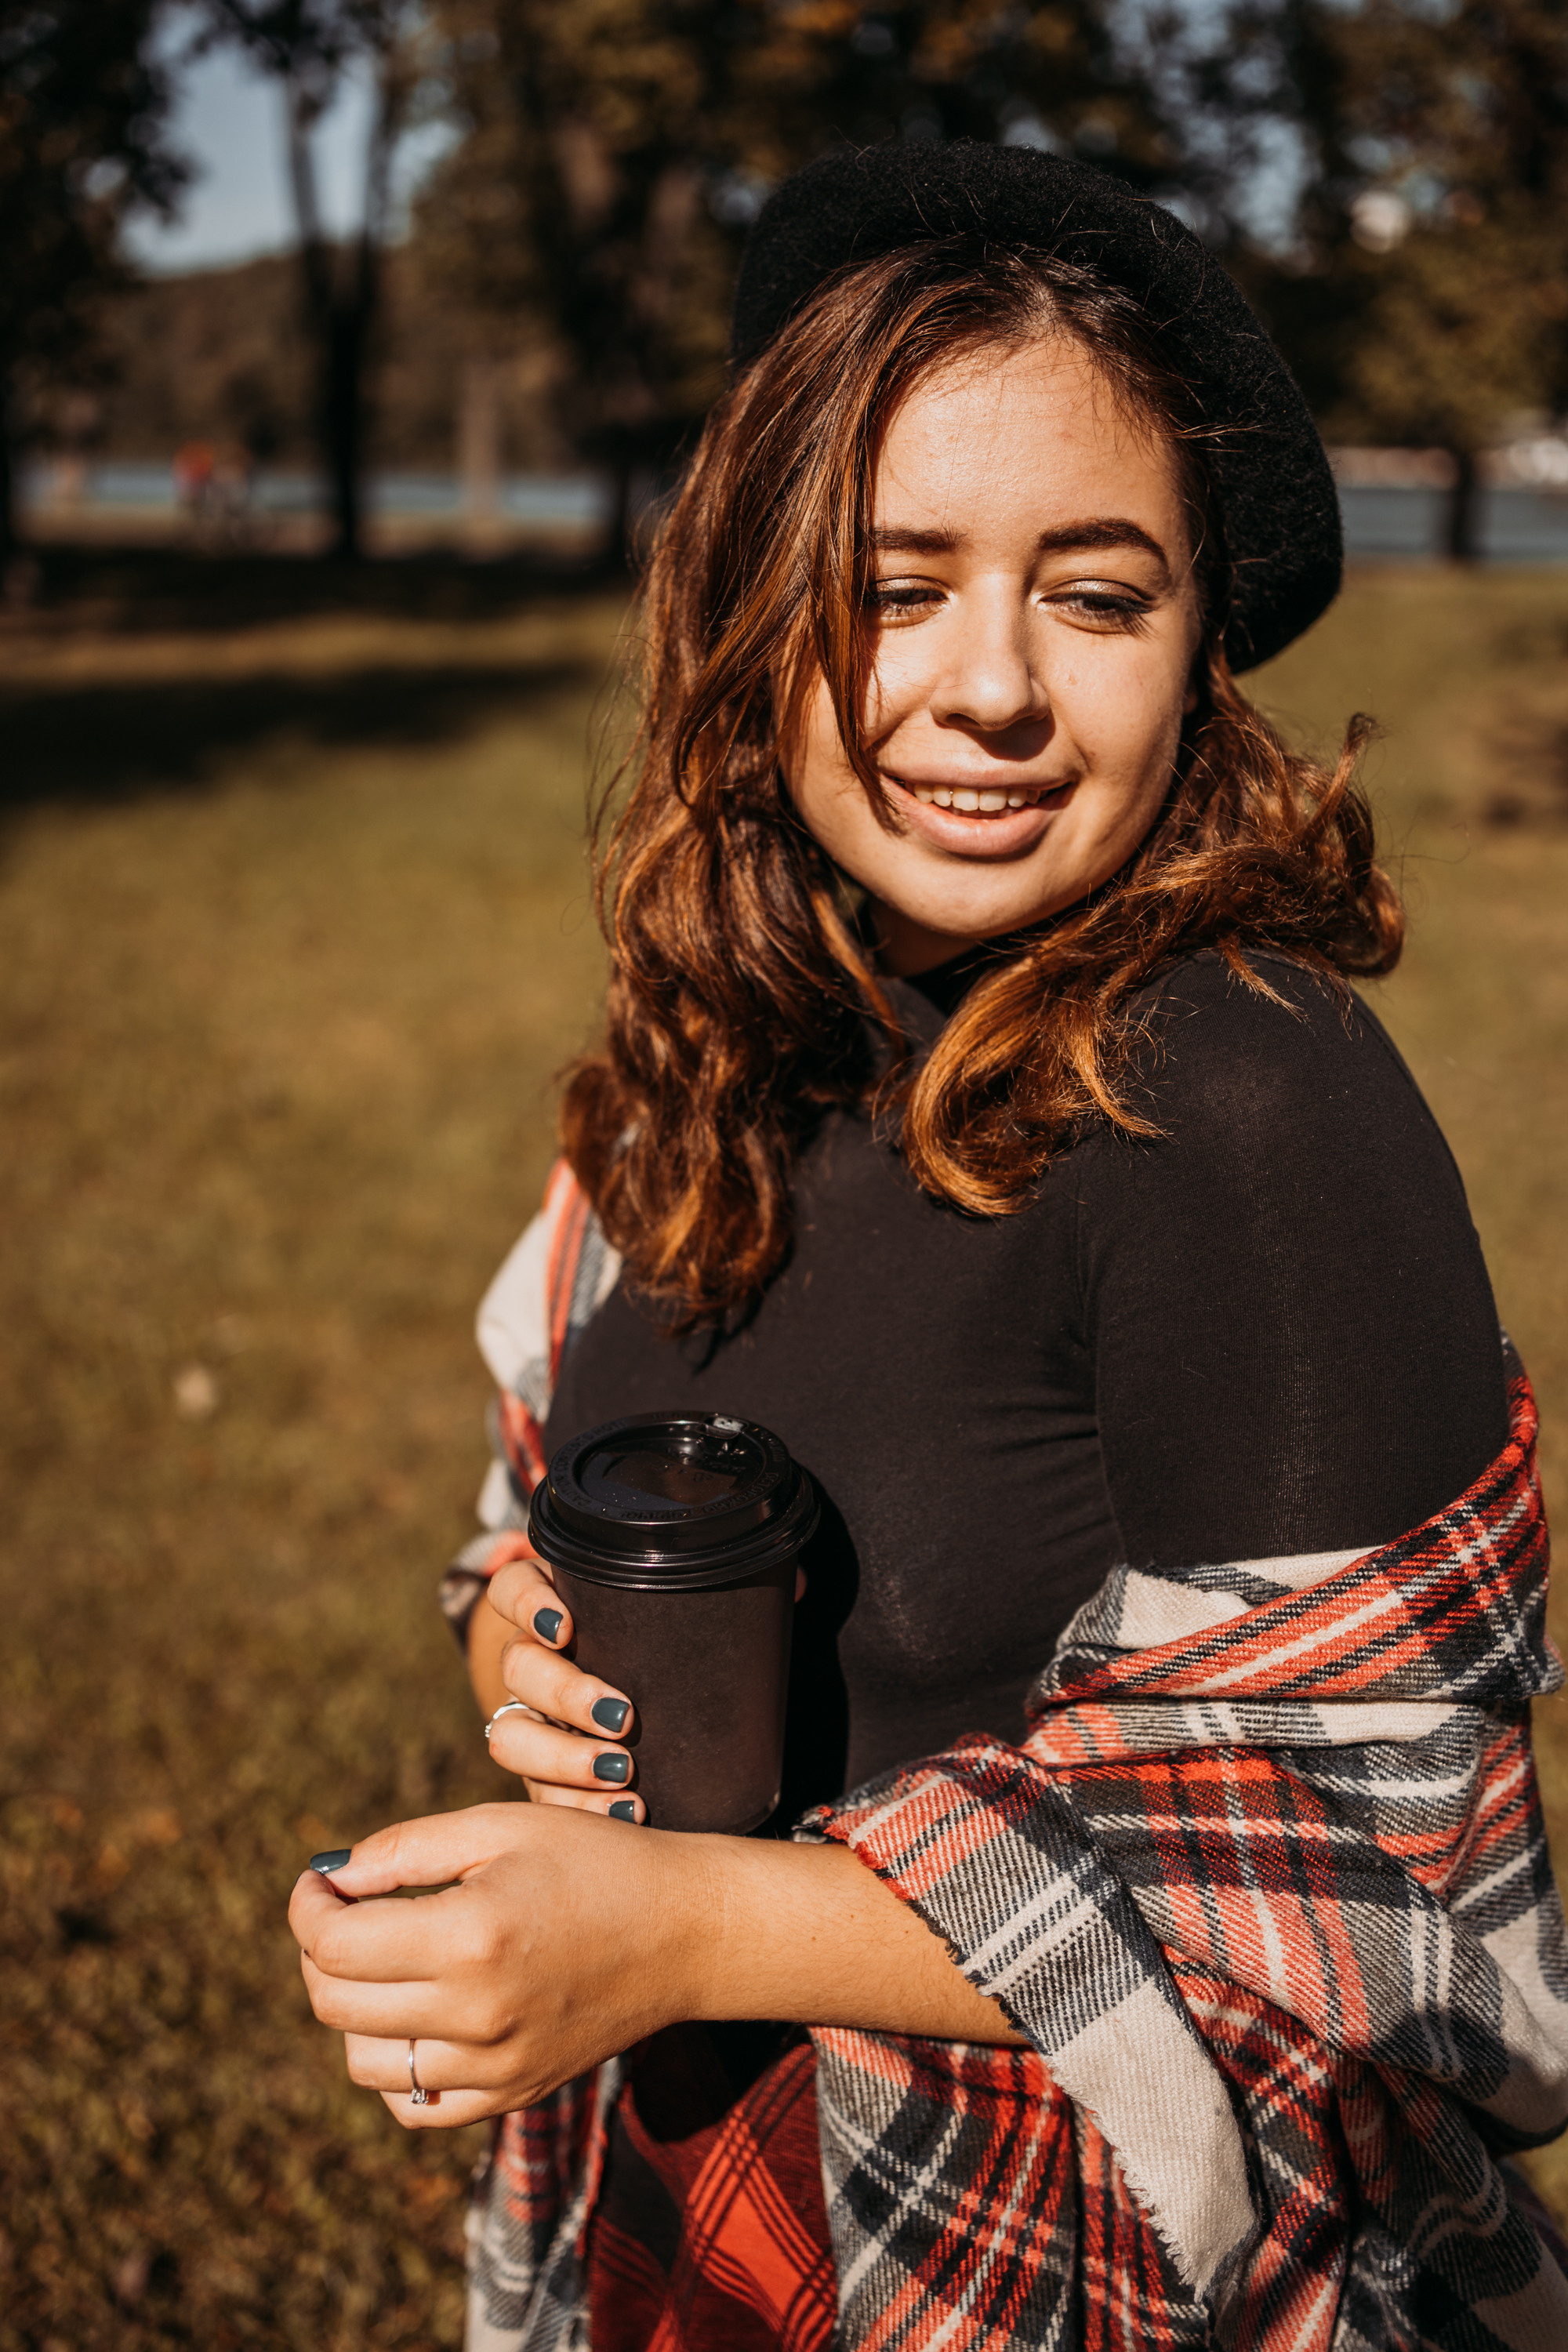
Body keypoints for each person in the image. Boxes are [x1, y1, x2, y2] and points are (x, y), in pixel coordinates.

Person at [289, 144, 1568, 2350]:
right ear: (752, 609)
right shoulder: (716, 1052)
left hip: (1068, 2266)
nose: (992, 688)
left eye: (1097, 596)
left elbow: (1404, 1905)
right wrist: (523, 1637)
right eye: (895, 585)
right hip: (697, 2204)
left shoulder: (1240, 1094)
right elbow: (548, 1508)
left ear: (1201, 643)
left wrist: (687, 1931)